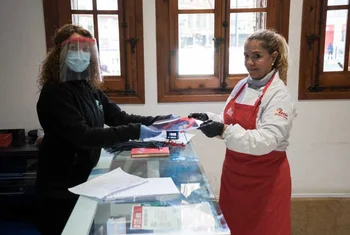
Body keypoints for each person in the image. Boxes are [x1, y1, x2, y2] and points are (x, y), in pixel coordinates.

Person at [35, 24, 171, 235]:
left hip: (85, 180)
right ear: (59, 54)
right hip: (60, 186)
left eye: (85, 50)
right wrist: (136, 130)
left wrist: (160, 121)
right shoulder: (55, 91)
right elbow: (83, 137)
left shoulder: (88, 87)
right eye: (73, 49)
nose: (80, 56)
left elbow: (118, 117)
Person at [189, 29, 297, 235]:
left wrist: (223, 130)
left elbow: (267, 140)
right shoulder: (241, 85)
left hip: (265, 181)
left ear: (273, 57)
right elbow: (228, 118)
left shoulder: (279, 96)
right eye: (246, 56)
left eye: (257, 56)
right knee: (233, 228)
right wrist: (210, 119)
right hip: (234, 177)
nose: (249, 63)